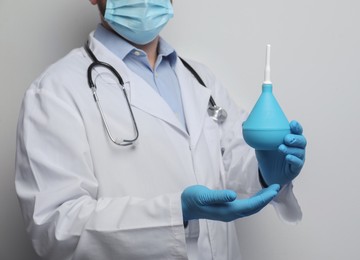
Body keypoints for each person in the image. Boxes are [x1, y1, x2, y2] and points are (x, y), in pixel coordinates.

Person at [15, 0, 307, 259]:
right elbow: (56, 228)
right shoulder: (55, 92)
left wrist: (266, 170)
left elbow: (231, 155)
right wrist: (173, 213)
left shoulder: (200, 79)